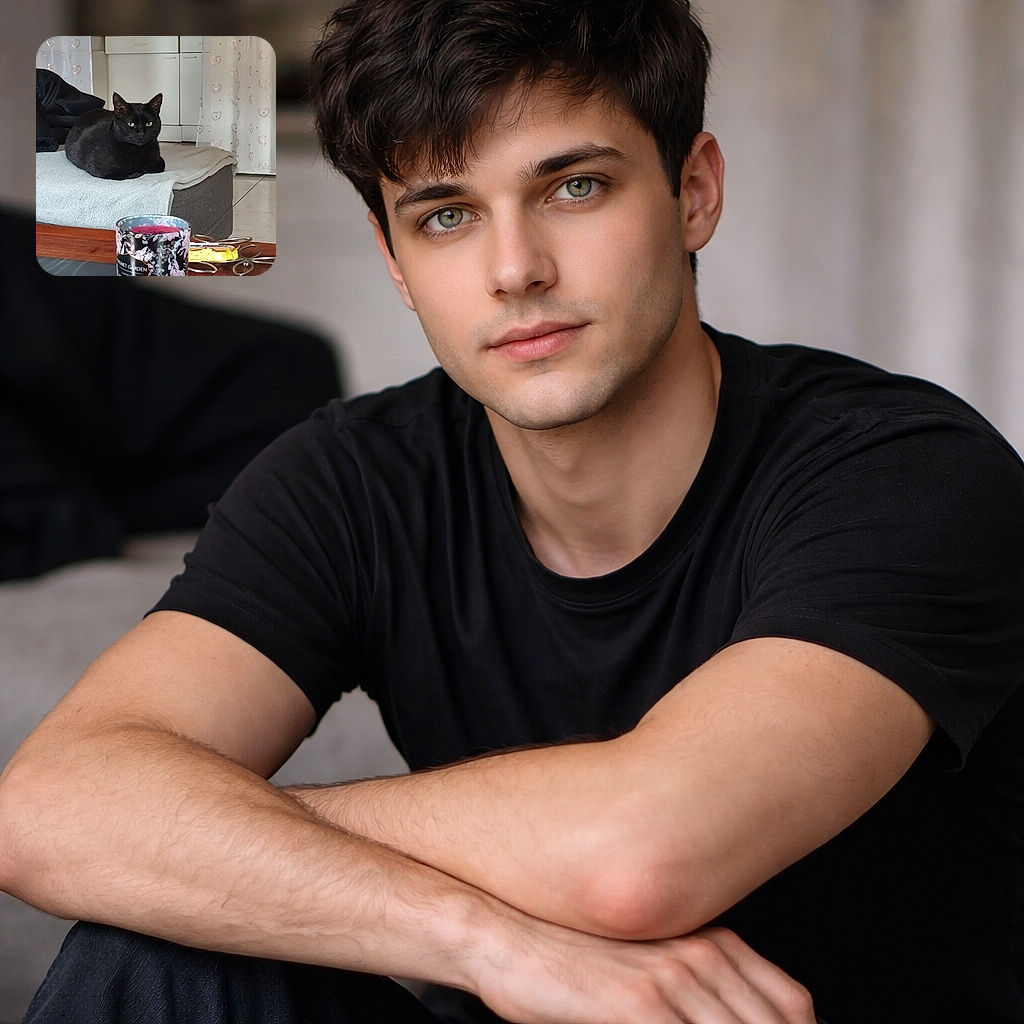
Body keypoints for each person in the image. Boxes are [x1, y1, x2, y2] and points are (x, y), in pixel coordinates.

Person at [3, 1, 1023, 1021]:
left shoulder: (902, 469)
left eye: (574, 187)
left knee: (183, 880)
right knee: (163, 953)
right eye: (445, 214)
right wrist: (476, 936)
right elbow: (46, 808)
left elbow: (639, 853)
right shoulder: (353, 479)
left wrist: (220, 830)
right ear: (396, 262)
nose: (514, 270)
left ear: (694, 191)